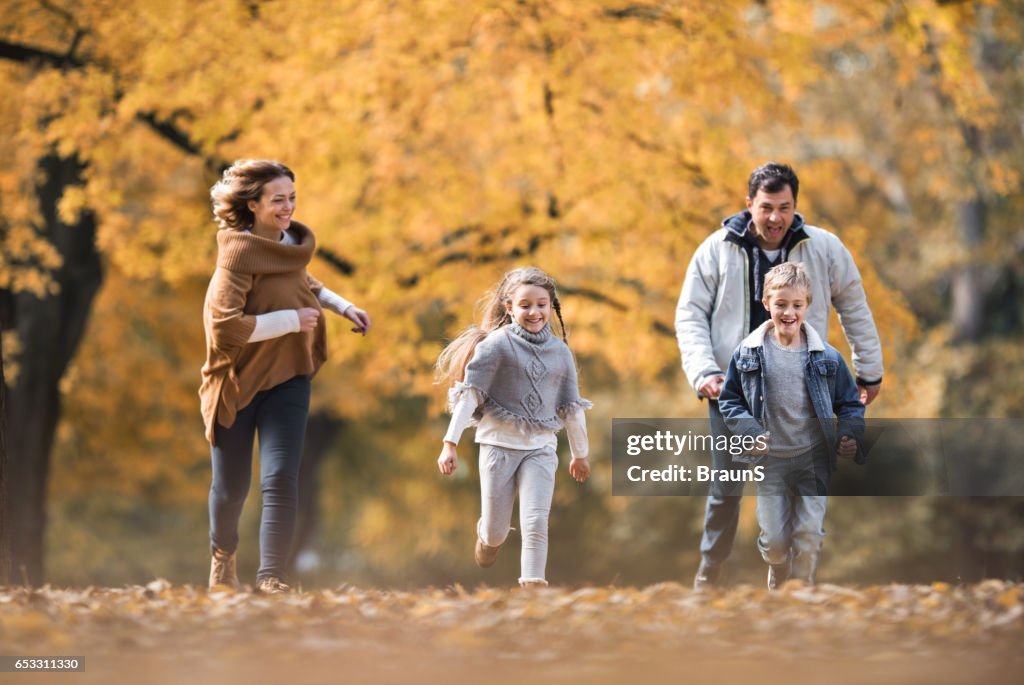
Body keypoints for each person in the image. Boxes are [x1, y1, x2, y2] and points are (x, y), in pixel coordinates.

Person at [675, 162, 882, 590]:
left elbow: (854, 306)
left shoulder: (823, 248)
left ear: (795, 207)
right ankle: (708, 579)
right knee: (726, 487)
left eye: (784, 208)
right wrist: (704, 371)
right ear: (749, 203)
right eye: (766, 207)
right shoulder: (716, 249)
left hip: (804, 388)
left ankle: (796, 583)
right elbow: (690, 314)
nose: (775, 218)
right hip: (732, 387)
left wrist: (869, 370)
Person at [199, 159, 371, 594]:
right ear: (252, 204)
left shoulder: (291, 243)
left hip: (289, 376)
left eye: (292, 198)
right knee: (231, 488)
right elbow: (225, 329)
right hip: (236, 383)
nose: (288, 207)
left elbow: (302, 281)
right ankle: (223, 554)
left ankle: (272, 577)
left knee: (279, 477)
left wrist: (342, 305)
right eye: (278, 200)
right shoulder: (237, 256)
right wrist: (291, 321)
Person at [436, 267, 591, 587]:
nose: (534, 312)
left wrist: (580, 453)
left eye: (541, 304)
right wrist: (449, 443)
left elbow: (571, 407)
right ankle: (487, 538)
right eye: (525, 305)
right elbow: (471, 395)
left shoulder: (561, 354)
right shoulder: (496, 345)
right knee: (496, 528)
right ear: (509, 308)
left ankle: (533, 589)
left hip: (541, 447)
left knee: (535, 522)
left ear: (551, 306)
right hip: (498, 444)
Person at [718, 262, 865, 588]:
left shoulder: (826, 357)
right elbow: (730, 400)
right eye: (781, 304)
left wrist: (849, 434)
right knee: (774, 542)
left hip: (813, 458)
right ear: (766, 303)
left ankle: (801, 601)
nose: (789, 312)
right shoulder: (748, 354)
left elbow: (850, 404)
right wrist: (750, 432)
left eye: (797, 305)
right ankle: (778, 568)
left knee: (809, 535)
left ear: (807, 306)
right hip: (770, 460)